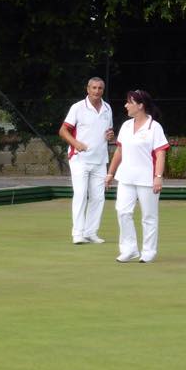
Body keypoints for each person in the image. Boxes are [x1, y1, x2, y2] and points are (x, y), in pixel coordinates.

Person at [105, 89, 169, 263]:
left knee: (149, 216)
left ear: (140, 106)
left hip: (147, 179)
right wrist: (110, 173)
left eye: (129, 102)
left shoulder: (154, 127)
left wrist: (158, 176)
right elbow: (119, 151)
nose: (126, 105)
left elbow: (161, 153)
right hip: (126, 177)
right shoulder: (126, 126)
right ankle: (129, 249)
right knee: (122, 212)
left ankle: (148, 251)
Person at [58, 77, 115, 244]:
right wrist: (76, 143)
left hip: (100, 159)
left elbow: (109, 132)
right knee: (81, 194)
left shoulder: (107, 108)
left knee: (98, 197)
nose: (97, 91)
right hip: (79, 159)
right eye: (94, 88)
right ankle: (77, 233)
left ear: (103, 90)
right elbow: (63, 131)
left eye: (100, 88)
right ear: (88, 89)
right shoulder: (77, 107)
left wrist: (110, 135)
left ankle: (91, 232)